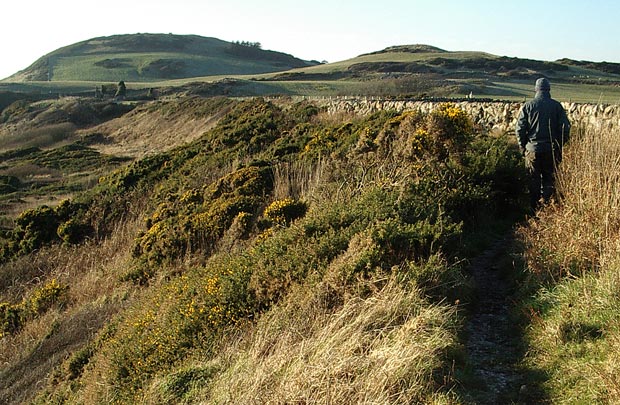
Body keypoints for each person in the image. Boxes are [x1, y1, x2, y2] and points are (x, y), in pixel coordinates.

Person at [516, 78, 571, 210]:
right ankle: (547, 207)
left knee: (533, 181)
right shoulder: (557, 106)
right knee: (549, 179)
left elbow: (520, 129)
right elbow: (565, 128)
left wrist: (523, 147)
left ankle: (534, 210)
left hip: (532, 150)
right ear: (549, 89)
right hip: (551, 149)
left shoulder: (528, 106)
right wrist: (559, 145)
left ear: (536, 89)